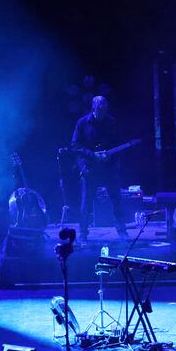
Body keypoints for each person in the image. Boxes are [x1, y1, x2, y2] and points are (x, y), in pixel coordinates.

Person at [71, 95, 129, 242]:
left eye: (105, 109)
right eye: (101, 109)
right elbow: (75, 145)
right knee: (86, 201)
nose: (104, 112)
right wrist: (93, 155)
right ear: (94, 108)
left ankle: (122, 232)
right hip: (90, 167)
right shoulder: (82, 123)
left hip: (108, 167)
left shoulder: (111, 122)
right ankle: (83, 234)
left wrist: (110, 155)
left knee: (116, 198)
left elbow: (118, 143)